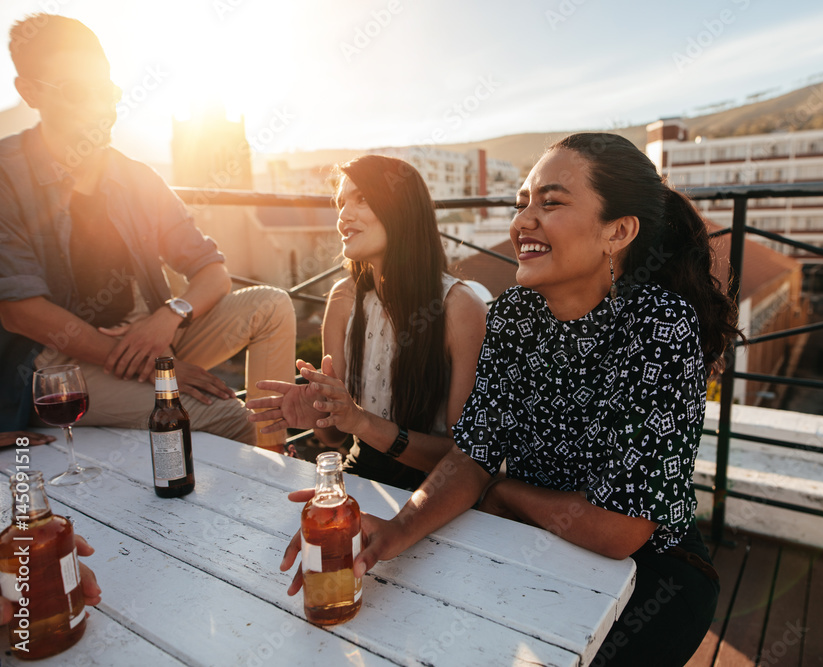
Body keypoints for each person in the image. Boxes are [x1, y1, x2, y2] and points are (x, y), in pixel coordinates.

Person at [281, 133, 741, 665]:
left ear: (618, 231)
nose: (523, 221)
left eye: (551, 202)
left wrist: (504, 493)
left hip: (652, 574)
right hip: (524, 544)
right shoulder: (515, 316)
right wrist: (392, 534)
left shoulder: (658, 326)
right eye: (521, 203)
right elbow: (471, 456)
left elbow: (620, 529)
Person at [0, 14, 296, 453]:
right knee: (228, 415)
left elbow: (213, 272)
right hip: (64, 363)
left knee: (271, 304)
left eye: (108, 91)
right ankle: (273, 491)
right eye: (79, 92)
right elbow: (20, 311)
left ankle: (277, 467)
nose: (101, 106)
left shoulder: (136, 177)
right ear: (30, 92)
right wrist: (159, 370)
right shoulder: (8, 174)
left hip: (155, 338)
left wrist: (168, 316)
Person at [248, 155, 488, 488]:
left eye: (361, 199)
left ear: (402, 209)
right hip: (361, 473)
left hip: (438, 492)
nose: (343, 216)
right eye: (341, 202)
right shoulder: (343, 299)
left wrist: (363, 423)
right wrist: (319, 412)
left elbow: (465, 458)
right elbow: (332, 437)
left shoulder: (460, 308)